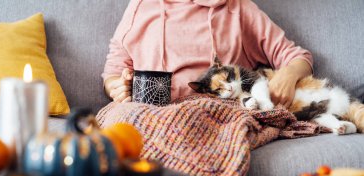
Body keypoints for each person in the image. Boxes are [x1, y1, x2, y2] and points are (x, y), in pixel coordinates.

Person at [102, 0, 313, 108]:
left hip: (216, 111)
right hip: (147, 109)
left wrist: (289, 74)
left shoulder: (238, 8)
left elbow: (298, 57)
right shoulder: (141, 6)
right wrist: (117, 88)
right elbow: (113, 72)